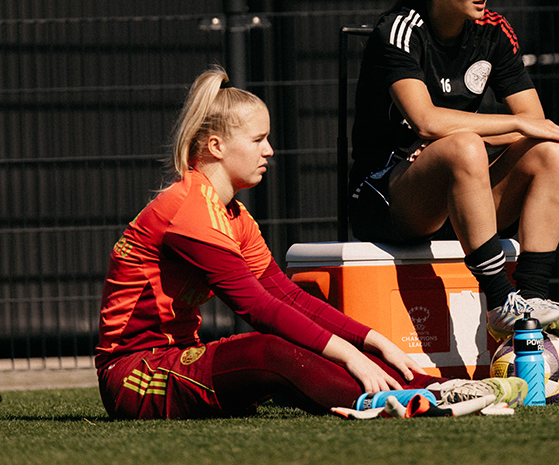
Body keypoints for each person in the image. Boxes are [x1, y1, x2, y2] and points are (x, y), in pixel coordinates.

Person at [95, 66, 525, 420]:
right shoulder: (188, 209)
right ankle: (408, 401)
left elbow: (285, 294)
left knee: (293, 347)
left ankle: (439, 389)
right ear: (216, 147)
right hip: (134, 375)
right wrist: (351, 356)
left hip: (178, 359)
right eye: (259, 139)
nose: (270, 151)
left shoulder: (234, 215)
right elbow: (257, 308)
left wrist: (372, 340)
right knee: (269, 350)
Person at [349, 0, 559, 340]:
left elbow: (537, 125)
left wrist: (495, 134)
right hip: (390, 197)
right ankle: (499, 301)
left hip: (462, 192)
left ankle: (529, 301)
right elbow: (425, 120)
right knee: (462, 145)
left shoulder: (494, 31)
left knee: (552, 151)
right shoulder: (400, 31)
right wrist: (504, 126)